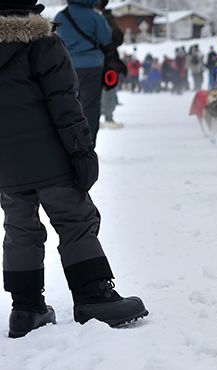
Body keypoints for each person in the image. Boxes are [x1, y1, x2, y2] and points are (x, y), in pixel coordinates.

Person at [0, 0, 148, 339]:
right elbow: (65, 101)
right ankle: (93, 296)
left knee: (20, 228)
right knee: (75, 220)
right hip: (50, 158)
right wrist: (82, 152)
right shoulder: (41, 42)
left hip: (6, 164)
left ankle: (26, 308)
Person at [54, 0, 111, 144]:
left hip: (67, 66)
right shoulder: (95, 17)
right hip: (92, 66)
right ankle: (88, 142)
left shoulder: (60, 16)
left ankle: (70, 141)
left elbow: (55, 40)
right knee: (90, 106)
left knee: (70, 103)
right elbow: (106, 39)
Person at [97, 0, 124, 129]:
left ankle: (104, 116)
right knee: (107, 91)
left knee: (103, 92)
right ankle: (106, 117)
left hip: (97, 62)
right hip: (106, 61)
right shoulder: (104, 17)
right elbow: (118, 38)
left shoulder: (78, 15)